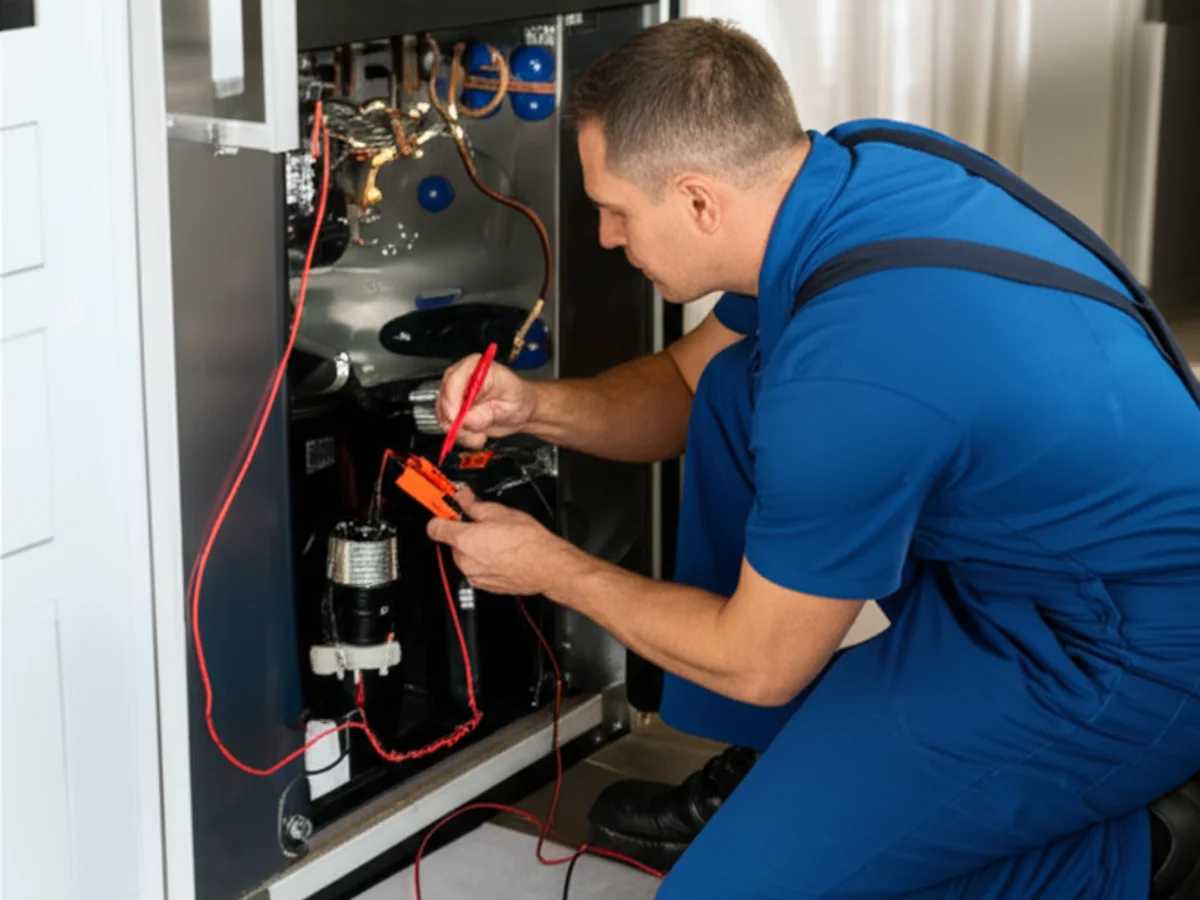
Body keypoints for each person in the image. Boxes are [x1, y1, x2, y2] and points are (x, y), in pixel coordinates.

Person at [427, 17, 1200, 899]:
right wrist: (535, 409)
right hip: (1024, 560)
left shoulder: (852, 372)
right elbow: (685, 387)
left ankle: (1138, 847)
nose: (605, 236)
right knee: (732, 387)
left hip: (1121, 651)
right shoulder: (854, 165)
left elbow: (764, 660)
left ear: (697, 201)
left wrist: (551, 569)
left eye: (615, 211)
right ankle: (764, 765)